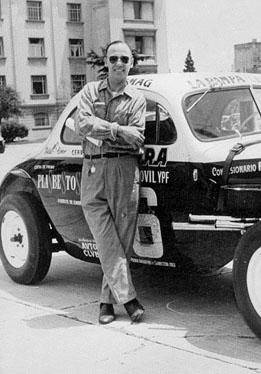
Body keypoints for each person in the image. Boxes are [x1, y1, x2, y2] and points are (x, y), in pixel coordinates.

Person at [76, 40, 146, 325]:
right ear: (106, 61)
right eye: (113, 58)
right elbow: (83, 124)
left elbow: (138, 136)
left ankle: (106, 303)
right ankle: (128, 299)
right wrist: (119, 129)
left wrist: (104, 128)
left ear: (131, 64)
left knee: (121, 238)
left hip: (123, 169)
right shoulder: (90, 91)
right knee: (106, 238)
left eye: (124, 59)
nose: (119, 63)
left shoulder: (137, 99)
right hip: (92, 168)